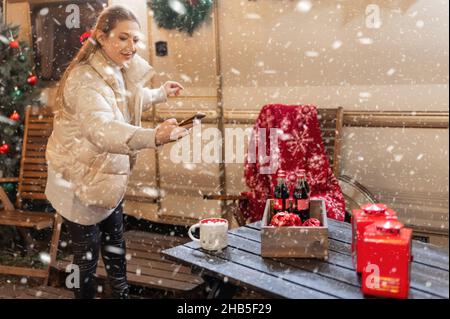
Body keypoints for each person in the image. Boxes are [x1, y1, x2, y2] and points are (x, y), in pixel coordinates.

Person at [45, 4, 191, 299]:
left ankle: (121, 294)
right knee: (85, 258)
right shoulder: (85, 79)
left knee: (115, 244)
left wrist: (160, 93)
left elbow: (124, 101)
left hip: (106, 175)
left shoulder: (113, 68)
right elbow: (101, 127)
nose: (131, 46)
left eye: (135, 39)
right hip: (79, 178)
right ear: (101, 36)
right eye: (123, 38)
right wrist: (153, 136)